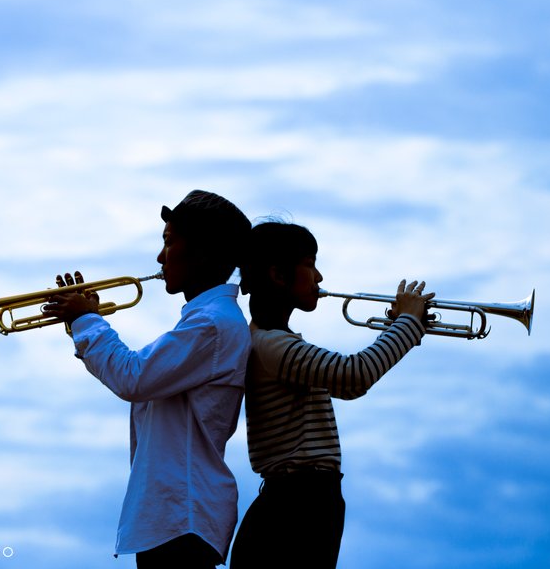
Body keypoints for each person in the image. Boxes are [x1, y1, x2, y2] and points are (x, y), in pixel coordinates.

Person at [42, 190, 252, 569]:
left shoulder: (212, 324)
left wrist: (86, 321)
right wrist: (82, 322)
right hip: (173, 513)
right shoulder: (204, 320)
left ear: (201, 251)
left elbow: (133, 378)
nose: (160, 257)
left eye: (169, 242)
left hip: (181, 515)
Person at [229, 221, 434, 569]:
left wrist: (402, 328)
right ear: (278, 275)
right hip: (294, 509)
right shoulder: (271, 345)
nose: (319, 277)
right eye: (310, 264)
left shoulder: (275, 342)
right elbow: (354, 376)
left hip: (302, 504)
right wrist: (407, 326)